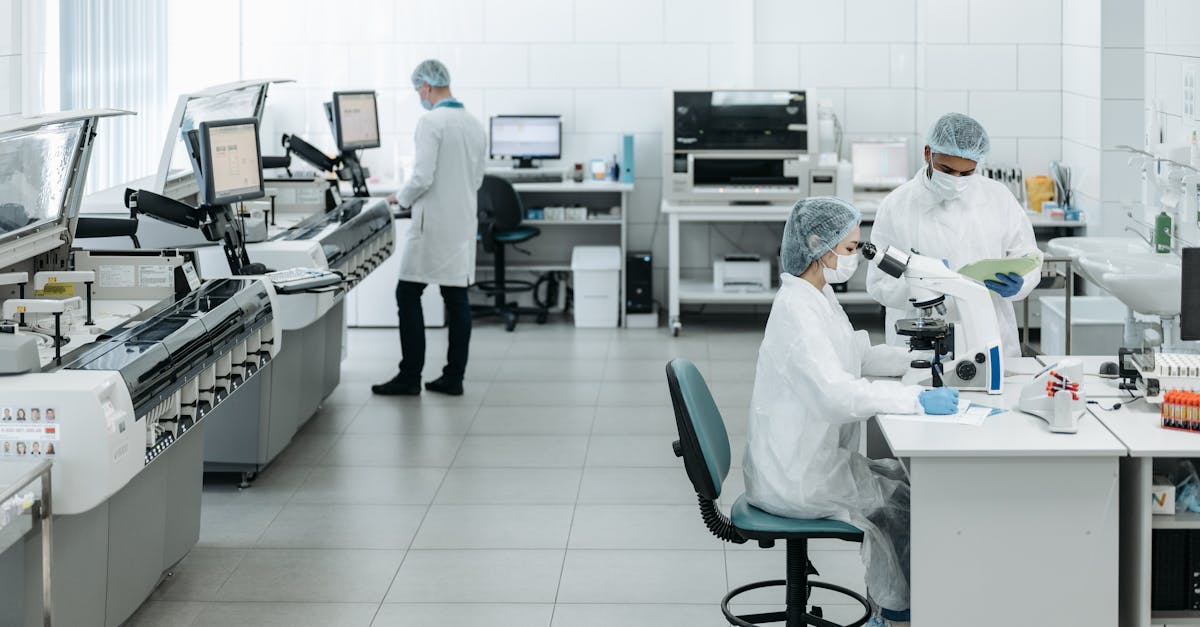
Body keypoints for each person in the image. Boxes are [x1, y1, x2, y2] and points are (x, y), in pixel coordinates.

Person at [743, 197, 960, 627]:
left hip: (812, 459)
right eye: (848, 248)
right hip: (796, 477)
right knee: (901, 505)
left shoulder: (817, 296)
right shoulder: (797, 312)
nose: (855, 258)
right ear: (817, 246)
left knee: (906, 480)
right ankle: (895, 614)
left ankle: (896, 605)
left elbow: (854, 355)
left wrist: (915, 360)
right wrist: (915, 401)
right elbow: (836, 394)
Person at [867, 112, 1041, 359]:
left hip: (988, 331)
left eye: (966, 173)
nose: (955, 180)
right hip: (920, 339)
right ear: (928, 153)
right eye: (947, 170)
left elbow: (1028, 255)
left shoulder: (998, 197)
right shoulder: (897, 205)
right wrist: (923, 285)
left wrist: (1020, 283)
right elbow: (879, 282)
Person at [373, 59, 486, 398]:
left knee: (407, 294)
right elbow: (477, 179)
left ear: (426, 87)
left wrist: (400, 197)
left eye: (418, 90)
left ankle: (410, 376)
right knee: (457, 298)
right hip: (461, 224)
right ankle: (454, 377)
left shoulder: (431, 122)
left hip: (433, 226)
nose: (419, 96)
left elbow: (422, 176)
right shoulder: (474, 124)